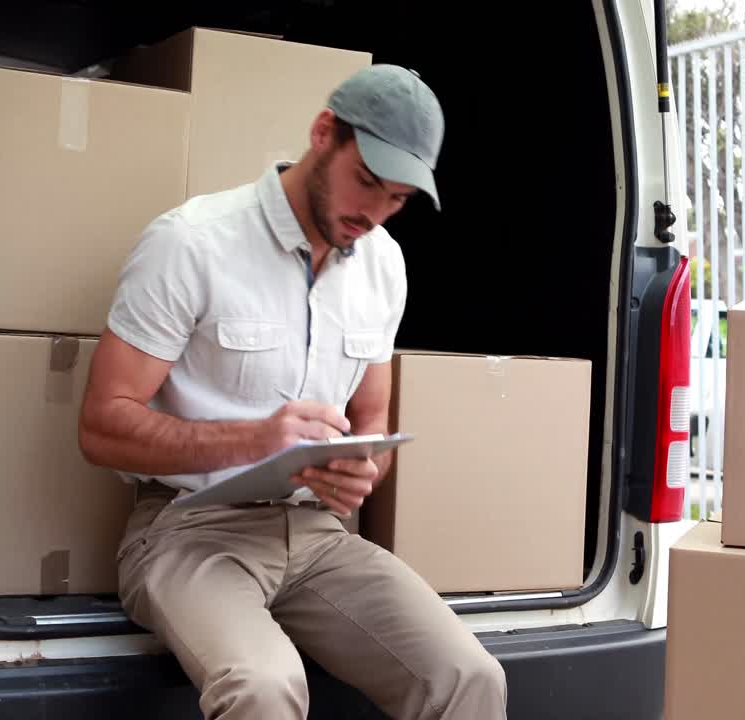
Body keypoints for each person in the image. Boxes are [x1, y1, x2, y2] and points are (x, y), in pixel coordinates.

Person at [78, 65, 508, 719]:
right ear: (323, 133)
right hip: (188, 532)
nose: (375, 212)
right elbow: (102, 425)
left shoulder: (384, 267)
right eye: (366, 182)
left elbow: (372, 424)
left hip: (318, 537)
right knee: (264, 687)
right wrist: (255, 439)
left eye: (397, 198)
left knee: (468, 676)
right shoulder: (192, 243)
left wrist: (357, 474)